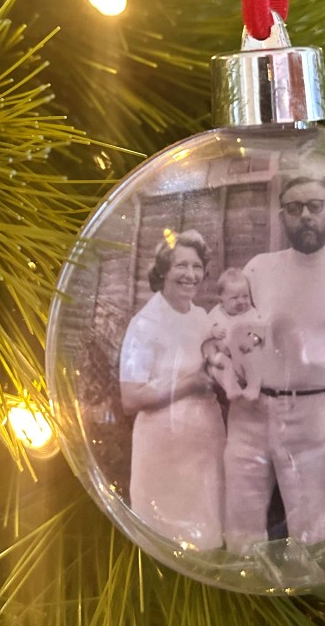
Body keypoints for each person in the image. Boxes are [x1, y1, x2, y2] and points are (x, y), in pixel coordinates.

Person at [222, 176, 325, 554]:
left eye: (314, 206)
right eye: (295, 208)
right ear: (283, 215)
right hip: (250, 414)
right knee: (241, 526)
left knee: (312, 534)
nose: (305, 216)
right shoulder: (258, 268)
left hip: (311, 415)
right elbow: (231, 325)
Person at [118, 229, 225, 550]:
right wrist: (189, 383)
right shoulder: (145, 324)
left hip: (204, 449)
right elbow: (130, 397)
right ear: (163, 270)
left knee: (207, 542)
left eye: (196, 266)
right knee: (162, 545)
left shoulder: (202, 318)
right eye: (181, 266)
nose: (191, 275)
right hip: (163, 454)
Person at [202, 268, 267, 402]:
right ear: (221, 301)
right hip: (227, 358)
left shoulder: (251, 314)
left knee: (254, 361)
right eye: (234, 298)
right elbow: (205, 328)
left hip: (245, 357)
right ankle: (231, 387)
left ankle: (253, 386)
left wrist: (251, 341)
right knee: (217, 362)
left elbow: (261, 332)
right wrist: (213, 331)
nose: (241, 301)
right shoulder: (216, 313)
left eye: (245, 296)